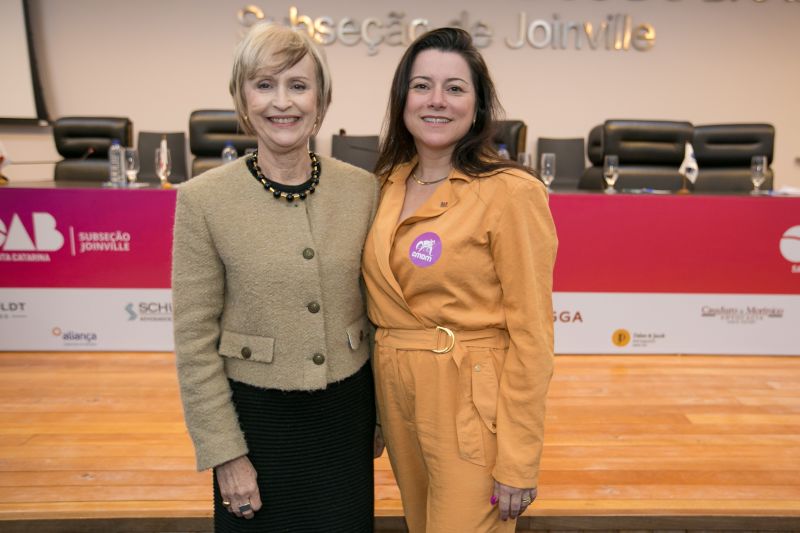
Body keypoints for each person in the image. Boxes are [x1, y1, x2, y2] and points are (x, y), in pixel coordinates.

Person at [172, 23, 381, 532]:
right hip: (256, 424)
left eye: (298, 85)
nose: (281, 102)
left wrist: (382, 417)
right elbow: (195, 341)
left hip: (345, 419)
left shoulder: (363, 190)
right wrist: (225, 454)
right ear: (243, 100)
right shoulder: (202, 200)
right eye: (264, 84)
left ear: (321, 101)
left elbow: (379, 312)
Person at [362, 27, 557, 532]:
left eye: (455, 88)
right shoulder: (382, 185)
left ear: (478, 106)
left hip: (469, 398)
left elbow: (533, 335)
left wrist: (518, 458)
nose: (437, 100)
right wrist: (375, 413)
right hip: (398, 394)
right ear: (402, 98)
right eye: (422, 86)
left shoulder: (511, 192)